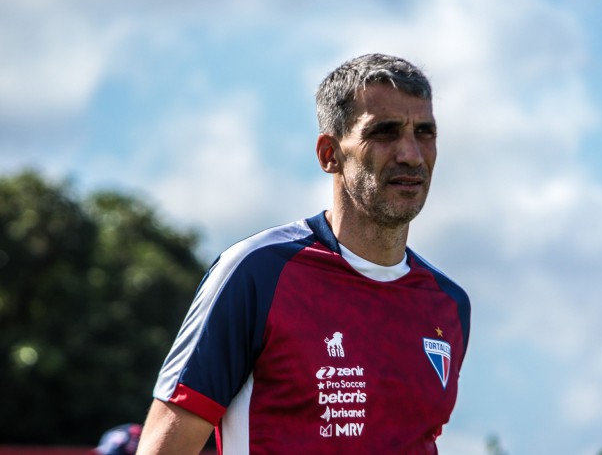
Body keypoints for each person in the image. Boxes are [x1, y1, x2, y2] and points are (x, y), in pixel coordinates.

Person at [137, 53, 471, 454]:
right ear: (329, 154)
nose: (411, 154)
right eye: (385, 132)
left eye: (425, 132)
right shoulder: (257, 273)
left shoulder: (448, 305)